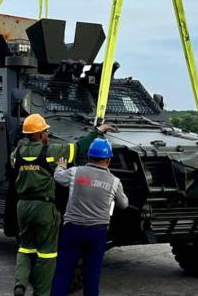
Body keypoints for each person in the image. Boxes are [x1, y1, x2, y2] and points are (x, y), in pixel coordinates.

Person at [12, 114, 114, 296]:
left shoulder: (16, 154)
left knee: (25, 248)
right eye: (46, 132)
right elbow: (79, 148)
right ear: (41, 134)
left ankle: (20, 283)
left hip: (22, 206)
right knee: (47, 254)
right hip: (43, 208)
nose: (48, 135)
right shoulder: (51, 152)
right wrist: (97, 132)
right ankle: (42, 292)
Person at [51, 138, 129, 296]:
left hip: (72, 228)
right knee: (92, 276)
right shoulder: (114, 181)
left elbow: (58, 177)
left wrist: (61, 166)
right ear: (108, 159)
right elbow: (124, 204)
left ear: (89, 157)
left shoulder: (75, 172)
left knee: (63, 272)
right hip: (97, 233)